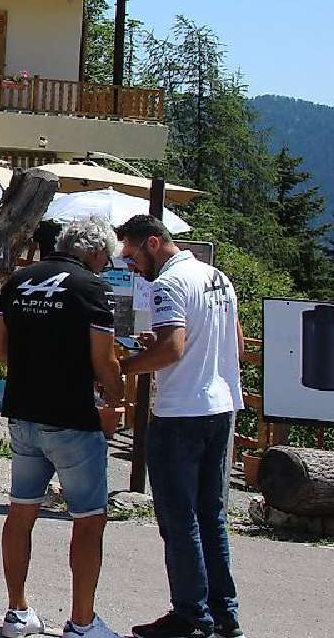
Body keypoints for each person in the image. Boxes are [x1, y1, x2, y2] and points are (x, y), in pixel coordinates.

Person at [0, 217, 127, 638]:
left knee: (21, 510)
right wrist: (118, 393)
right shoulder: (91, 288)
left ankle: (17, 612)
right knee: (88, 518)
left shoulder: (19, 281)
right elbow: (104, 361)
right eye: (106, 259)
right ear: (97, 252)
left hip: (23, 413)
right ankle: (82, 622)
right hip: (72, 418)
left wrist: (24, 372)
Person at [117, 215, 244, 638]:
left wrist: (126, 368)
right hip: (222, 405)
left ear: (153, 244)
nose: (129, 265)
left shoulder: (168, 284)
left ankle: (190, 614)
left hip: (181, 411)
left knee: (179, 517)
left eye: (131, 255)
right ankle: (223, 611)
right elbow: (235, 342)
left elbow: (172, 349)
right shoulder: (217, 277)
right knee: (211, 515)